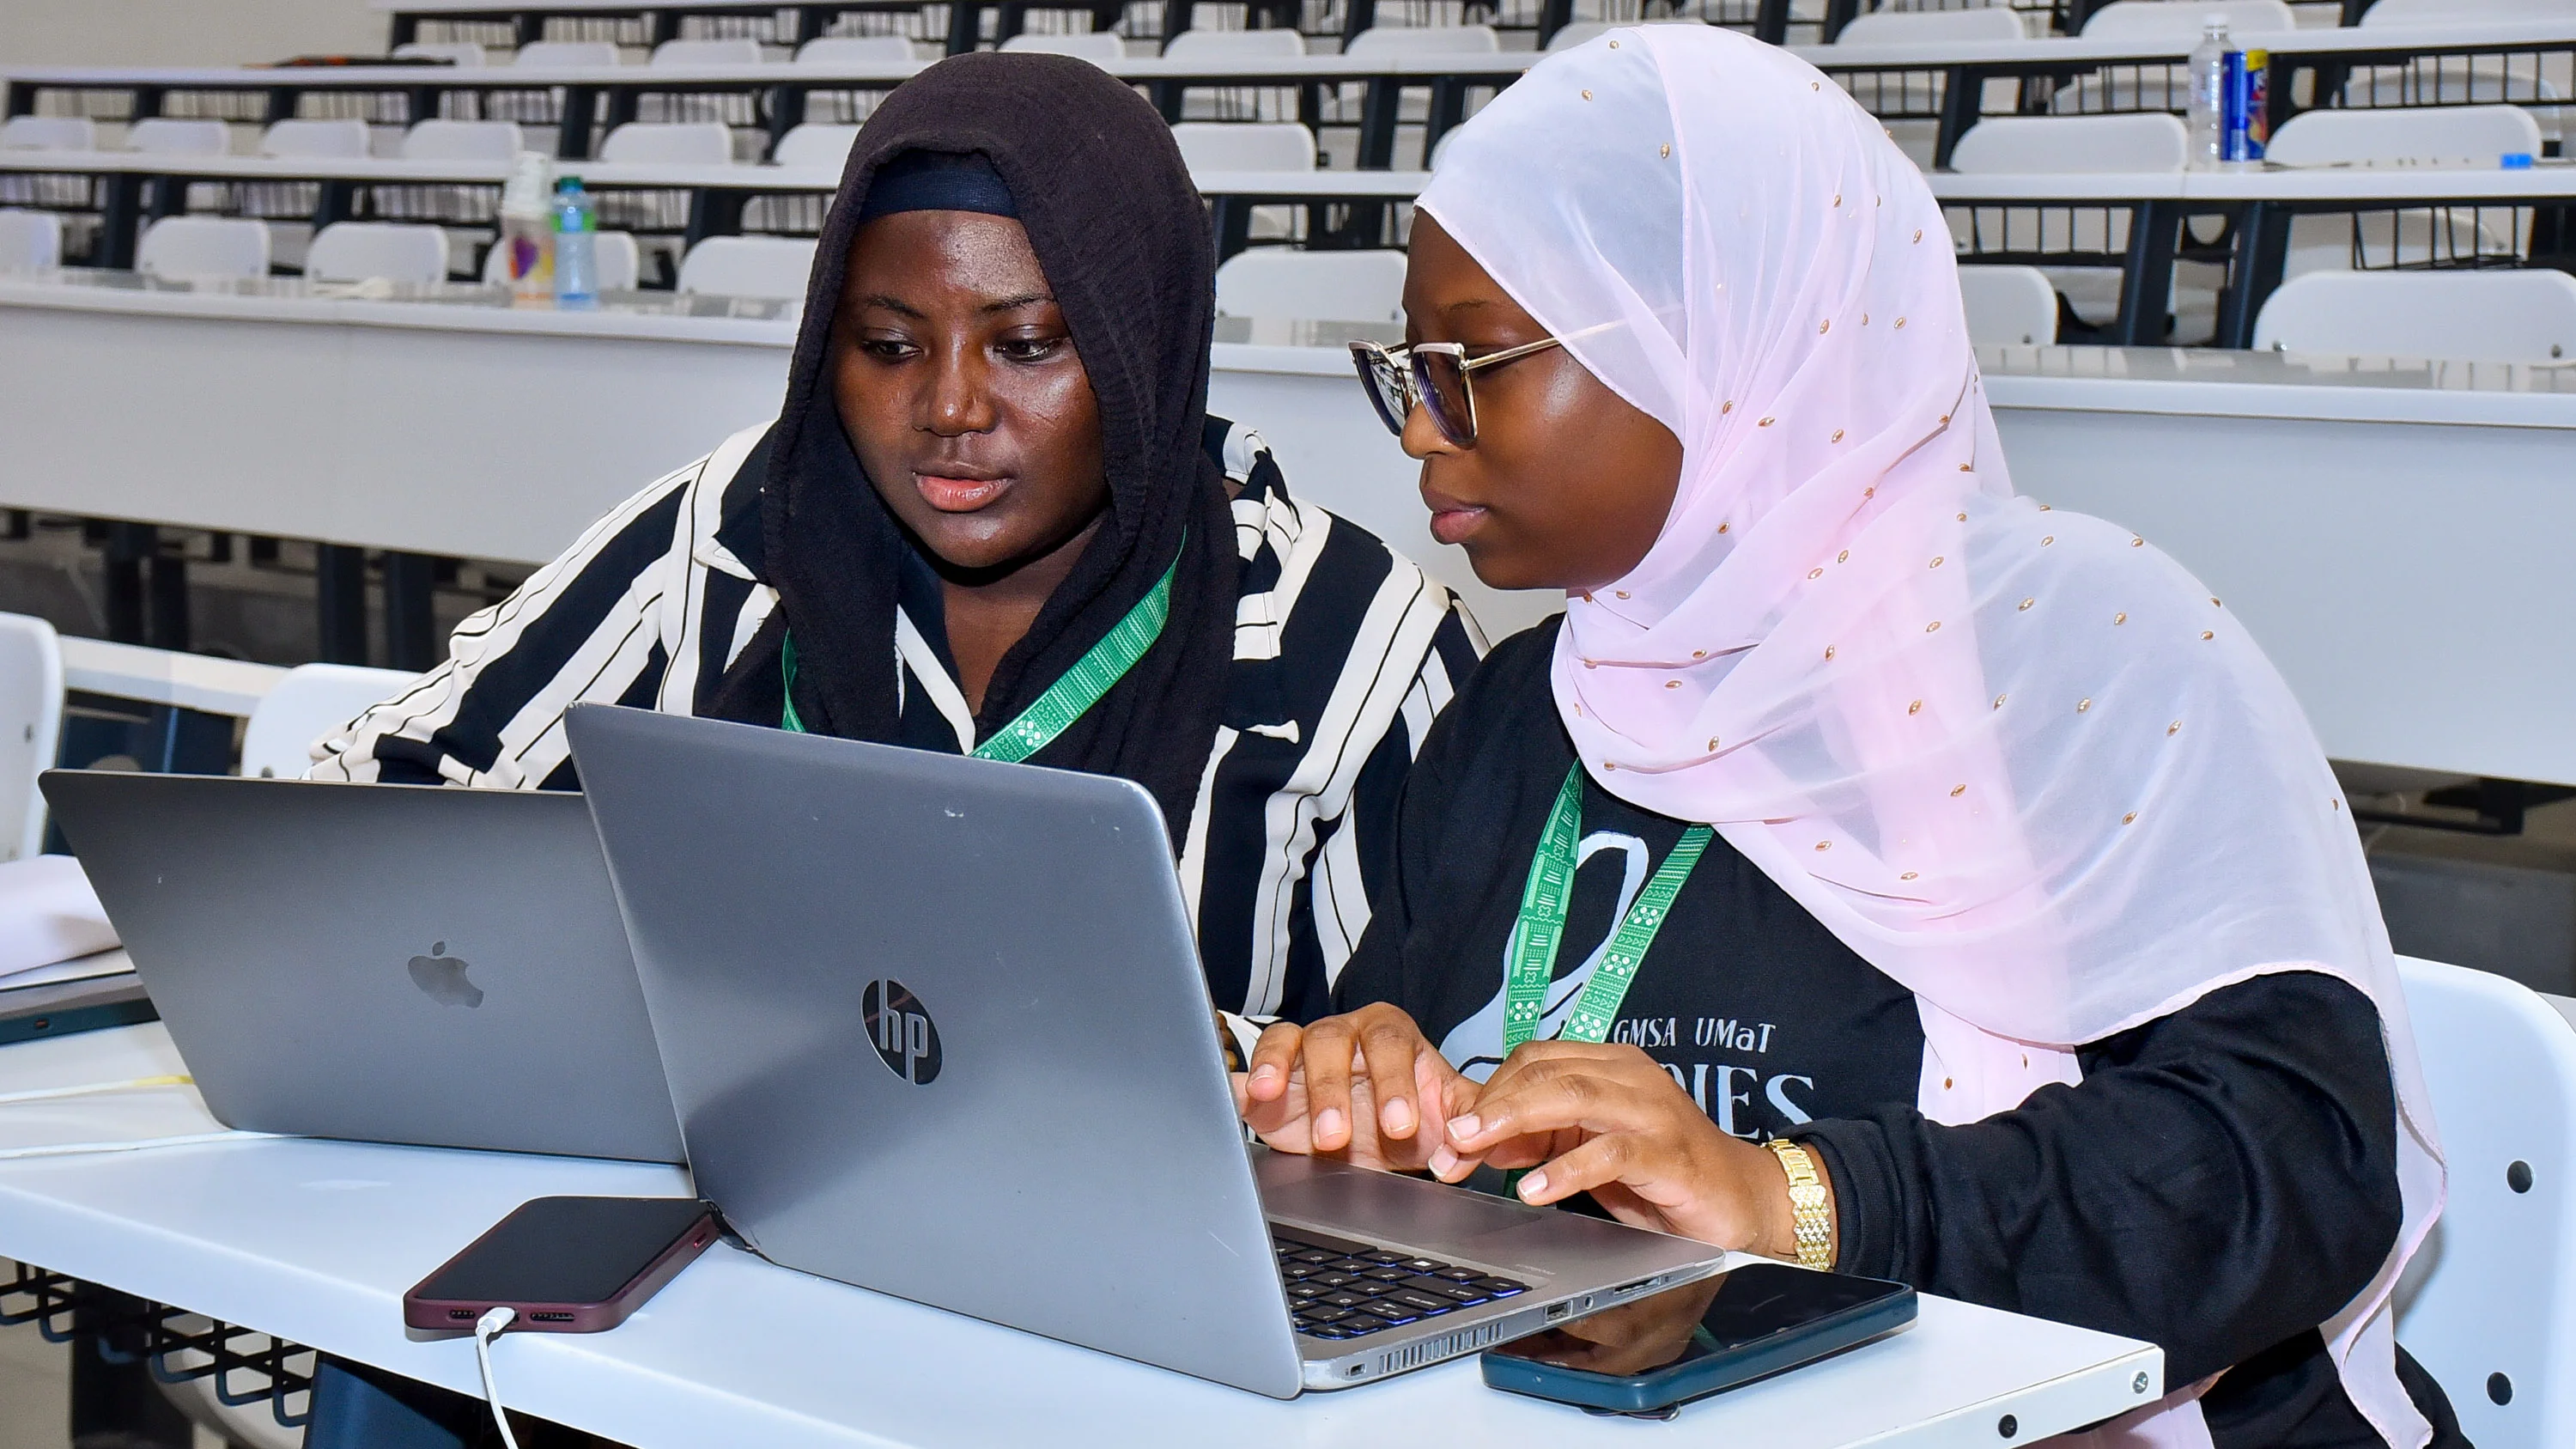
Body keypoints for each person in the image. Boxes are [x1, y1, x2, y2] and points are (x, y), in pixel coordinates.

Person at [1239, 27, 2455, 1449]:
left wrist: (1792, 1197)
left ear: (1710, 345)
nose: (1420, 429)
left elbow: (2286, 1160)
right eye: (1410, 371)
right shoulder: (1519, 712)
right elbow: (1427, 1071)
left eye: (1473, 365)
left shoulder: (2083, 658)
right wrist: (1373, 1105)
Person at [313, 53, 1482, 1030]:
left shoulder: (1355, 646)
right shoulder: (736, 532)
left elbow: (1438, 1084)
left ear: (1146, 348)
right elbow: (378, 792)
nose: (950, 411)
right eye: (886, 345)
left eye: (1025, 345)